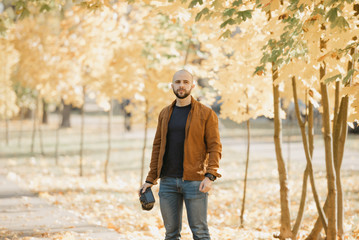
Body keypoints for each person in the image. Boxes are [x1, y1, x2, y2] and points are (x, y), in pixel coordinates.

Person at [140, 69, 222, 240]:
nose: (181, 85)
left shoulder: (206, 114)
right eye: (178, 82)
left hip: (195, 181)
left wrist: (210, 176)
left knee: (200, 231)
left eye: (185, 82)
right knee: (170, 234)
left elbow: (215, 147)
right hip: (168, 182)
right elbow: (157, 147)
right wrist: (150, 179)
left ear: (192, 85)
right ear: (172, 85)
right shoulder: (164, 113)